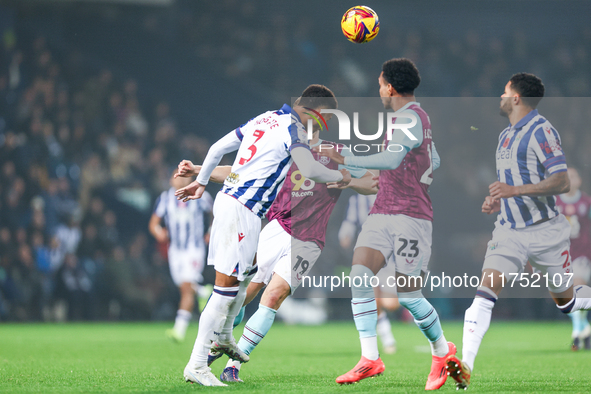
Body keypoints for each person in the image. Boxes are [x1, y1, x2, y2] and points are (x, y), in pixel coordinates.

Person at [174, 85, 352, 386]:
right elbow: (308, 168)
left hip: (244, 209)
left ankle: (227, 337)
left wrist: (202, 178)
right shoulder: (294, 134)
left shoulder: (265, 119)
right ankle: (198, 364)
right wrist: (339, 177)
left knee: (246, 283)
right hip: (249, 212)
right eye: (321, 119)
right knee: (226, 292)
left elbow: (223, 153)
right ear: (313, 112)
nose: (317, 127)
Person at [445, 73, 591, 390]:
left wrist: (514, 190)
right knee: (484, 294)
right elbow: (510, 188)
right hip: (509, 231)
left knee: (566, 302)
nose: (499, 95)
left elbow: (562, 181)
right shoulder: (505, 136)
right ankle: (465, 367)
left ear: (516, 98)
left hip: (546, 233)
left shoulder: (543, 131)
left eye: (504, 91)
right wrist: (498, 200)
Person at [316, 58, 452, 390]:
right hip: (383, 211)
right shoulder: (408, 119)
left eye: (379, 83)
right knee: (360, 275)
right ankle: (370, 358)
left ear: (390, 87)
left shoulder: (411, 118)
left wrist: (345, 157)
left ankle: (441, 352)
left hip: (411, 217)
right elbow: (431, 159)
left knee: (408, 296)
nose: (378, 89)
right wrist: (350, 177)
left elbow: (391, 159)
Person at [149, 171, 213, 342]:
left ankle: (179, 329)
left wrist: (210, 232)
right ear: (171, 180)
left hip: (194, 248)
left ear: (191, 179)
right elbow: (153, 223)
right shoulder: (165, 198)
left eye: (185, 176)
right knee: (184, 286)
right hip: (175, 250)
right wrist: (159, 233)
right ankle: (202, 291)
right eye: (177, 176)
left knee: (186, 286)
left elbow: (215, 215)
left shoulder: (202, 196)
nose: (181, 180)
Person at [339, 193, 400, 354]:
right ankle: (387, 339)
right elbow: (350, 221)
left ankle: (385, 333)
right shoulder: (357, 198)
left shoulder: (393, 194)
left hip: (391, 257)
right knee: (372, 299)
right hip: (367, 254)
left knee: (391, 304)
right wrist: (345, 234)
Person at [556, 168, 591, 350]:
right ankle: (584, 327)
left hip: (582, 253)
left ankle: (577, 332)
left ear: (579, 181)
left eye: (574, 176)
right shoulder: (554, 202)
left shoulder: (587, 202)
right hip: (560, 255)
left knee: (578, 289)